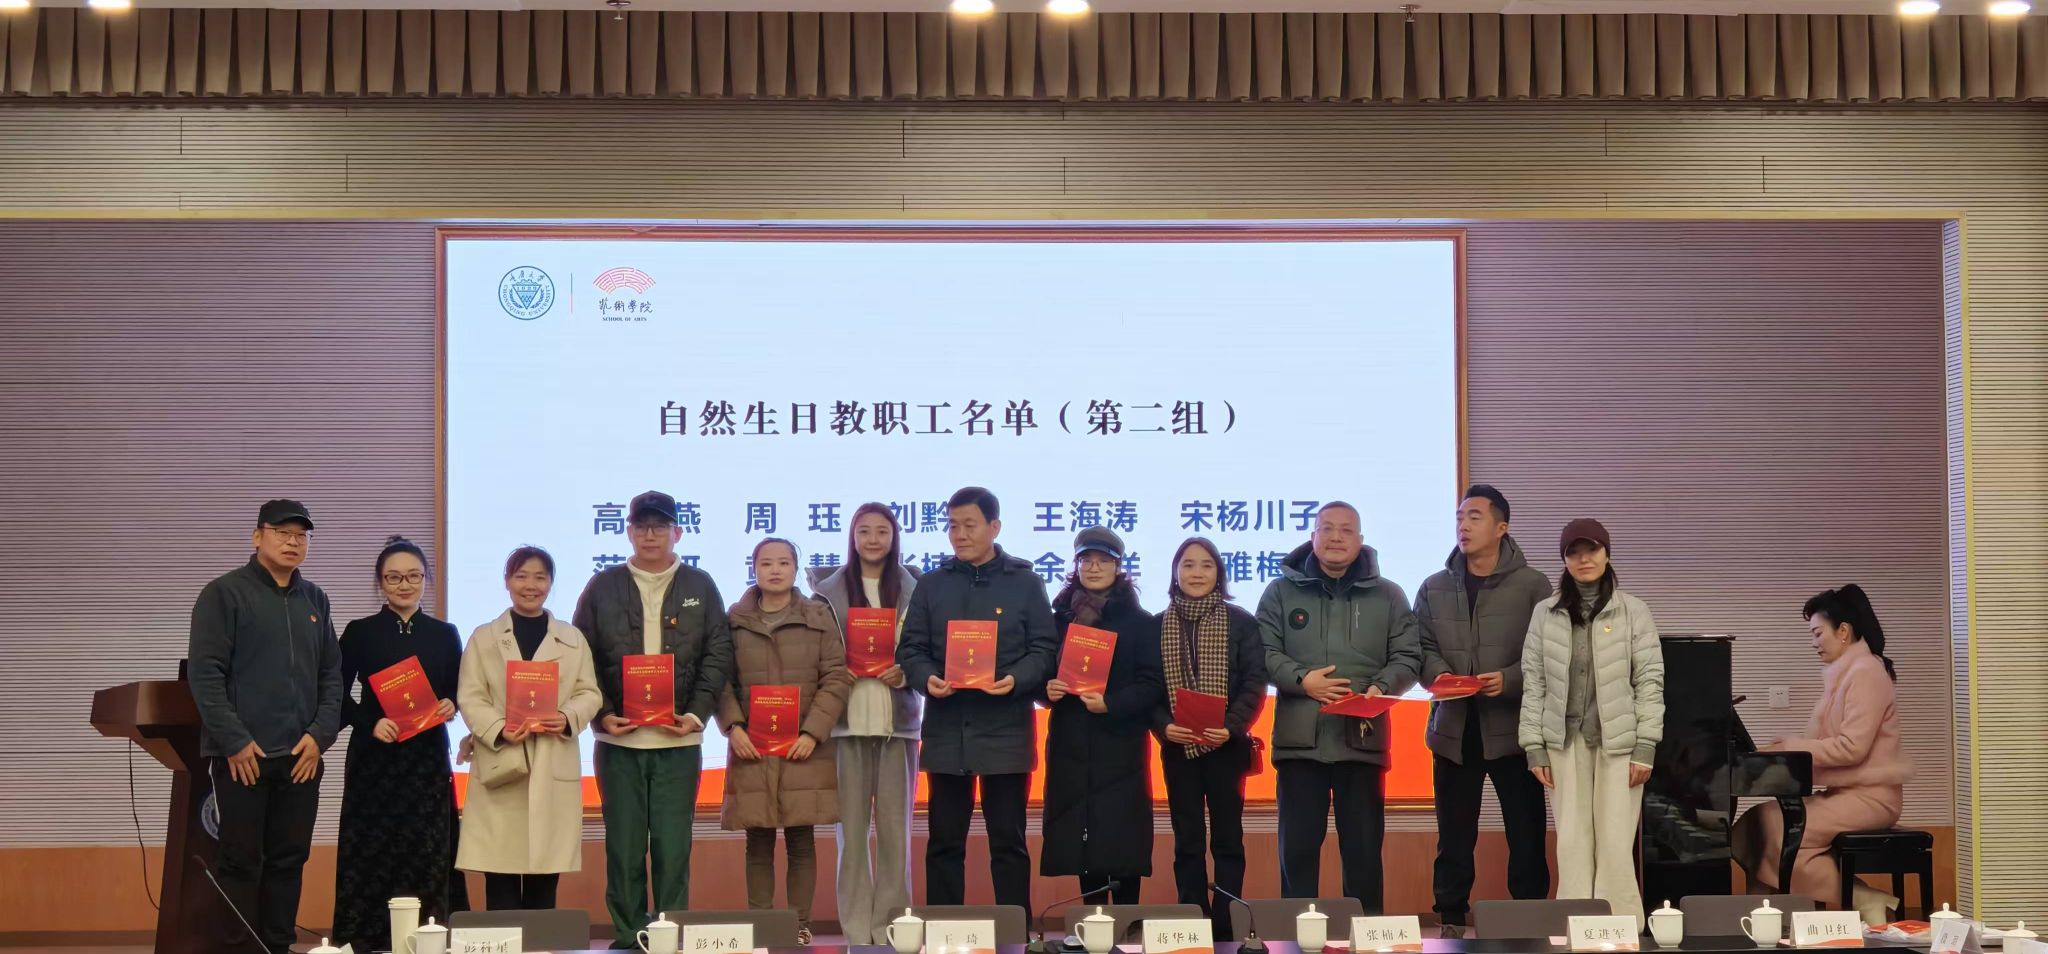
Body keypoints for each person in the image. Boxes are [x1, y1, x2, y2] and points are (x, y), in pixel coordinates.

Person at [574, 491, 735, 944]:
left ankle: (669, 934)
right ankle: (629, 934)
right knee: (623, 847)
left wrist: (696, 714)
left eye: (660, 526)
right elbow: (581, 655)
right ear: (628, 531)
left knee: (672, 847)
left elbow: (718, 653)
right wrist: (603, 715)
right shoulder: (602, 586)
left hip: (678, 742)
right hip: (618, 744)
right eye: (641, 526)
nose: (650, 535)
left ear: (677, 532)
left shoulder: (700, 585)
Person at [187, 499, 343, 954]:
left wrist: (320, 736)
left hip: (301, 757)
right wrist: (234, 740)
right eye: (282, 533)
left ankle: (278, 946)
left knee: (289, 860)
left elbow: (332, 675)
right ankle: (240, 949)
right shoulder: (224, 594)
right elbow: (205, 674)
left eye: (301, 536)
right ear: (257, 537)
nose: (293, 542)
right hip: (245, 758)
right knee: (240, 861)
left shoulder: (315, 599)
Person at [897, 486, 1060, 909]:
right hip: (947, 730)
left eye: (969, 525)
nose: (960, 534)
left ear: (994, 527)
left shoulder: (1025, 583)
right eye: (953, 526)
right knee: (944, 843)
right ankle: (945, 931)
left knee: (1008, 843)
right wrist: (928, 678)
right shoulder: (931, 585)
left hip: (1006, 730)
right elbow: (911, 649)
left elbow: (1044, 649)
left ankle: (1014, 932)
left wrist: (1014, 679)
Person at [1259, 501, 1420, 914]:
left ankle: (1367, 935)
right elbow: (1262, 652)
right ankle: (1296, 936)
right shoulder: (1280, 592)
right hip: (1300, 746)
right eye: (1327, 528)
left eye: (1346, 530)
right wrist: (1302, 679)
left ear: (1360, 540)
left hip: (1361, 742)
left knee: (1364, 854)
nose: (1335, 537)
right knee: (1297, 854)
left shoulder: (1389, 595)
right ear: (1312, 536)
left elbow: (1408, 656)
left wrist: (1381, 687)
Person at [1414, 486, 1553, 936]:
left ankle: (1529, 921)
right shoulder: (1434, 586)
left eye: (1474, 517)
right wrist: (1440, 675)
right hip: (1454, 731)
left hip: (1514, 731)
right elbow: (1420, 647)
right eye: (1459, 517)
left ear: (1501, 527)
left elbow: (1548, 653)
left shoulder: (1533, 585)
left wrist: (1509, 679)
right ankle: (1451, 920)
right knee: (1454, 837)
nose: (1463, 525)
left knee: (1526, 835)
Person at [1732, 585, 1910, 924]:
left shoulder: (1867, 672)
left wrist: (1789, 748)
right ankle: (1760, 921)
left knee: (1772, 826)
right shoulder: (1846, 674)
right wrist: (1779, 749)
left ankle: (1864, 898)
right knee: (1756, 824)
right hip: (1847, 794)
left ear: (1843, 630)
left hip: (1872, 798)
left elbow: (1851, 747)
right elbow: (1819, 743)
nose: (1814, 642)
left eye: (1817, 633)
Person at [1518, 519, 1663, 925]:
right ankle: (1576, 925)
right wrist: (1533, 746)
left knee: (1616, 843)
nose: (1584, 559)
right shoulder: (1545, 613)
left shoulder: (1633, 610)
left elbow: (1650, 680)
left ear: (1607, 554)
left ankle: (1621, 927)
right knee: (1572, 842)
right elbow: (1534, 682)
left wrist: (1646, 745)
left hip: (1621, 742)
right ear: (1564, 560)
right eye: (1574, 552)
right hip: (1563, 741)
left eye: (1592, 550)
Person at [719, 538, 852, 944]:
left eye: (783, 563)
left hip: (803, 748)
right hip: (752, 746)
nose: (775, 570)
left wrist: (813, 732)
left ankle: (799, 926)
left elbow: (836, 677)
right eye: (766, 563)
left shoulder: (818, 616)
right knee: (757, 839)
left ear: (796, 569)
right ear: (754, 569)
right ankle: (761, 926)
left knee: (801, 840)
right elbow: (720, 680)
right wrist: (733, 727)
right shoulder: (733, 620)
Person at [333, 536, 462, 953]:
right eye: (393, 578)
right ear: (380, 583)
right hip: (375, 759)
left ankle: (428, 938)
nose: (404, 585)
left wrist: (452, 703)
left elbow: (459, 689)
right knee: (370, 850)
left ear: (426, 579)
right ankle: (364, 940)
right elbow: (335, 693)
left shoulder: (444, 634)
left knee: (428, 850)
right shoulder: (359, 632)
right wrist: (369, 723)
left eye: (413, 576)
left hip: (426, 761)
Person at [456, 546, 603, 911]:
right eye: (521, 576)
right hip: (501, 763)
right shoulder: (484, 637)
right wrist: (497, 728)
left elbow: (590, 693)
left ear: (551, 583)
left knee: (544, 877)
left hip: (552, 760)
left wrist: (567, 716)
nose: (530, 585)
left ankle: (541, 941)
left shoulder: (572, 639)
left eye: (540, 577)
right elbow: (471, 695)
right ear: (507, 581)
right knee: (499, 876)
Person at [808, 504, 924, 946]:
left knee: (897, 836)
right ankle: (858, 932)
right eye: (864, 532)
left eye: (882, 532)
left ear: (894, 538)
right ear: (852, 538)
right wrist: (837, 670)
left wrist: (908, 673)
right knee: (851, 838)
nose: (873, 540)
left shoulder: (916, 590)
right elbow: (815, 656)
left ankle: (892, 930)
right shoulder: (827, 593)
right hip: (845, 727)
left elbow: (928, 650)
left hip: (900, 728)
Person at [1040, 527, 1166, 904]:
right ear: (1076, 565)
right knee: (1082, 843)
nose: (1094, 568)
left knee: (1123, 841)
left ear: (1118, 566)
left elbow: (1152, 684)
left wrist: (1111, 702)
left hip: (1120, 747)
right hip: (1071, 746)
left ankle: (1127, 926)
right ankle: (1092, 926)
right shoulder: (1058, 619)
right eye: (1086, 560)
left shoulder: (1140, 622)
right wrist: (1046, 690)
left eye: (1103, 561)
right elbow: (1040, 670)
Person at [1154, 536, 1267, 936]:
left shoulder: (1241, 622)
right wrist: (1162, 726)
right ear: (1175, 572)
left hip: (1227, 749)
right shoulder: (1157, 625)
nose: (1197, 573)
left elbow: (1255, 682)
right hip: (1177, 749)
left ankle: (1226, 924)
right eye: (1188, 564)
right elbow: (1148, 687)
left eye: (1206, 565)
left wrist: (1232, 726)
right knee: (1187, 840)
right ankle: (1192, 924)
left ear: (1219, 573)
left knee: (1228, 841)